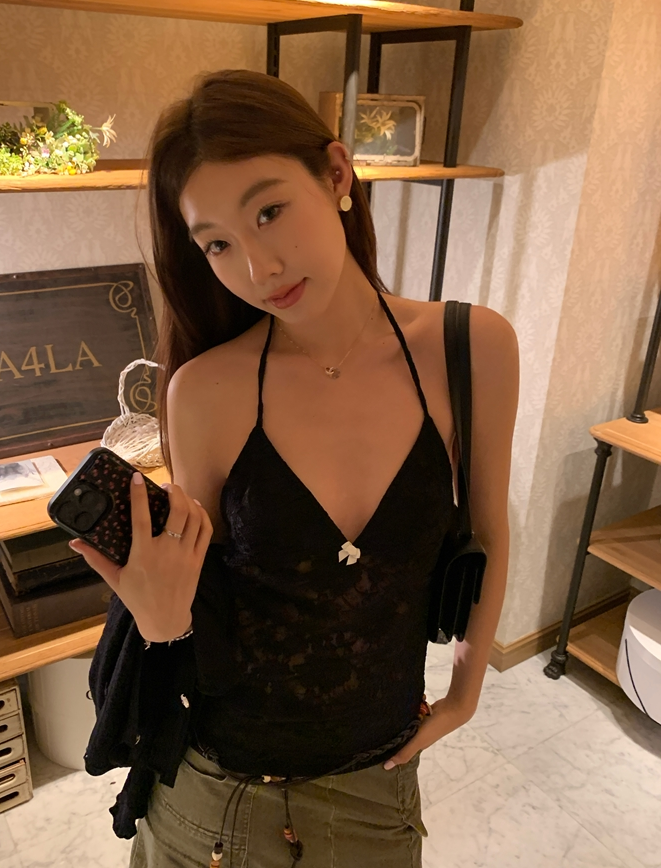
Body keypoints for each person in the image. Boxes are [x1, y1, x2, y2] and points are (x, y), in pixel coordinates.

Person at [70, 69, 519, 868]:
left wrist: (466, 690)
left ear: (338, 174)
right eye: (217, 244)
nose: (258, 267)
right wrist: (160, 621)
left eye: (269, 211)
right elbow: (200, 610)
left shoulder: (471, 348)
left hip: (376, 788)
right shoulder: (205, 391)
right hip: (213, 798)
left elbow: (489, 528)